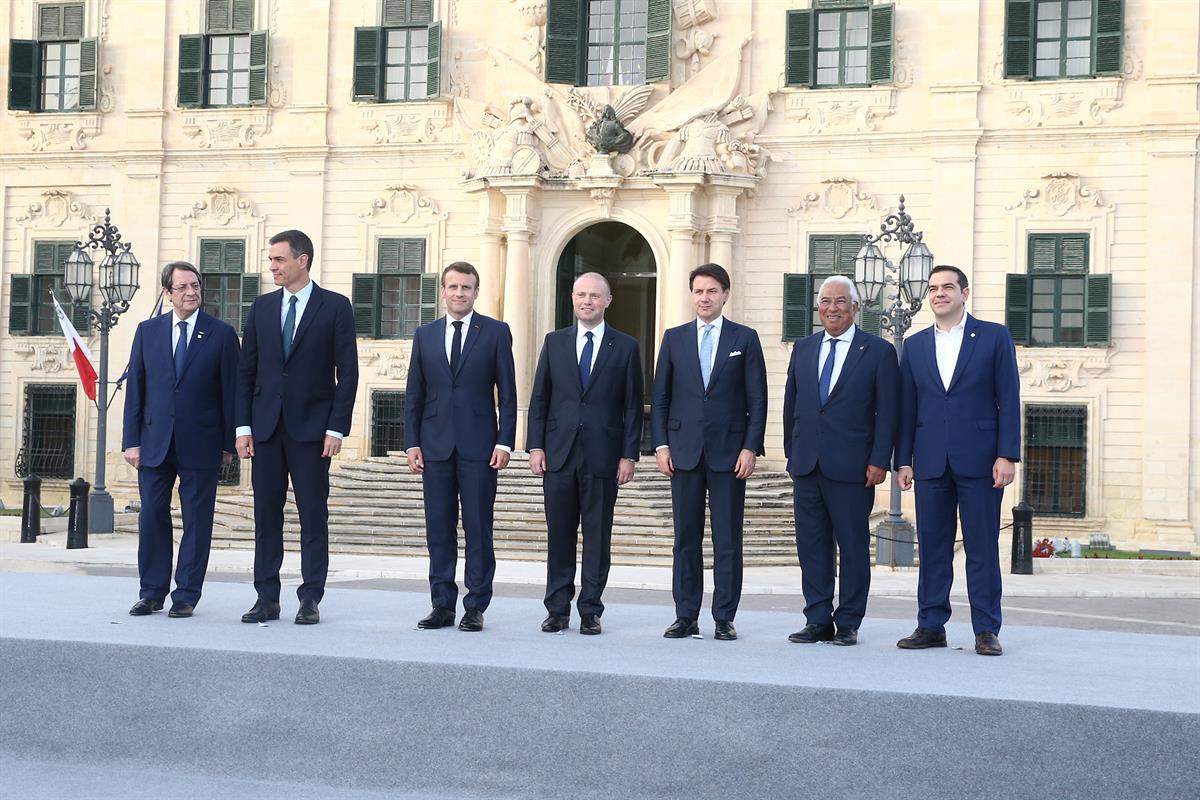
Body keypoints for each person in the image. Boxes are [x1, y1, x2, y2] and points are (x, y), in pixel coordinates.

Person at [894, 264, 1020, 656]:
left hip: (982, 462)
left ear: (965, 293)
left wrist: (1007, 454)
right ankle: (930, 625)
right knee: (933, 548)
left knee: (981, 548)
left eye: (948, 287)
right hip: (930, 461)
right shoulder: (913, 346)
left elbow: (1008, 398)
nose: (939, 293)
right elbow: (906, 408)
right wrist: (903, 460)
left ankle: (986, 629)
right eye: (933, 288)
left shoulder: (994, 337)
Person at [235, 230, 359, 626]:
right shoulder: (262, 307)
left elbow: (349, 373)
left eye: (278, 259)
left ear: (302, 260)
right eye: (271, 259)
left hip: (312, 432)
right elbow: (246, 371)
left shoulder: (336, 307)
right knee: (266, 515)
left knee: (312, 516)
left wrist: (337, 429)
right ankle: (266, 597)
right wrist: (243, 426)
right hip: (266, 431)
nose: (272, 266)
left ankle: (310, 597)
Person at [651, 263, 767, 641]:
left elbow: (757, 399)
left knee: (727, 540)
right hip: (683, 452)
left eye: (712, 291)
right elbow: (661, 397)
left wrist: (751, 447)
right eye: (699, 291)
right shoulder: (674, 338)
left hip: (729, 455)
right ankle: (685, 615)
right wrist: (661, 444)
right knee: (685, 539)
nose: (705, 297)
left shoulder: (744, 339)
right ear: (692, 295)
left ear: (725, 295)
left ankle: (723, 617)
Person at [782, 275, 898, 646]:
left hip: (854, 468)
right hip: (807, 465)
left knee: (851, 546)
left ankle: (848, 620)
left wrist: (880, 459)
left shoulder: (878, 351)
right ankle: (817, 618)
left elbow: (888, 412)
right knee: (811, 546)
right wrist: (792, 450)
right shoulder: (803, 348)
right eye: (826, 302)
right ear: (818, 307)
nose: (832, 308)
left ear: (856, 307)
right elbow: (792, 405)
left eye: (841, 301)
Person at [527, 273, 643, 635]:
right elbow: (540, 399)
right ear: (573, 299)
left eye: (595, 295)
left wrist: (629, 455)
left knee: (597, 537)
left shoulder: (625, 347)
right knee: (559, 534)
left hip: (603, 457)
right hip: (559, 455)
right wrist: (535, 445)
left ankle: (590, 610)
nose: (587, 301)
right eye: (581, 295)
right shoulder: (554, 342)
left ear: (608, 300)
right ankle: (557, 609)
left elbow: (632, 406)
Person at [122, 261, 240, 618]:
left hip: (202, 443)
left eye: (196, 286)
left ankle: (186, 594)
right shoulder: (148, 331)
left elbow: (230, 392)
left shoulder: (220, 333)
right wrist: (131, 441)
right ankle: (152, 592)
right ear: (168, 292)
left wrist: (227, 443)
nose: (191, 292)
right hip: (154, 441)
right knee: (152, 515)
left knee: (197, 519)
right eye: (183, 287)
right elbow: (136, 388)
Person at [404, 262, 516, 632]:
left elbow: (510, 394)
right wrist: (412, 443)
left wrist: (505, 441)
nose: (459, 293)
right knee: (438, 528)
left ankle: (475, 606)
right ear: (442, 291)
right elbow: (415, 394)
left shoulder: (496, 332)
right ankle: (441, 605)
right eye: (452, 286)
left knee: (479, 528)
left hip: (480, 447)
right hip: (434, 446)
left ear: (476, 291)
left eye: (466, 287)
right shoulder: (425, 334)